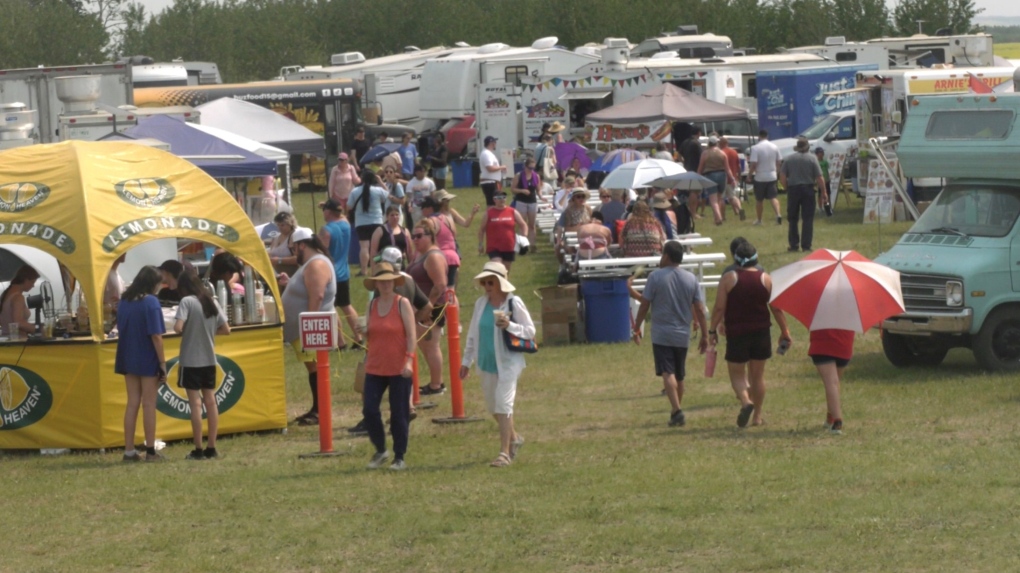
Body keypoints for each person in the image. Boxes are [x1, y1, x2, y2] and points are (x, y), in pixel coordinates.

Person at [348, 247, 434, 437]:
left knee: (368, 376)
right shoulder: (410, 281)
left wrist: (366, 330)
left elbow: (378, 316)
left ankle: (368, 418)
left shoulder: (383, 289)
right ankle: (409, 407)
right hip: (403, 339)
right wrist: (411, 322)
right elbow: (428, 306)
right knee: (404, 373)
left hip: (383, 340)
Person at [708, 241, 791, 428]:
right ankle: (757, 417)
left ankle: (746, 402)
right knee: (758, 376)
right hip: (761, 332)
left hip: (737, 333)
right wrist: (785, 331)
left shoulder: (729, 278)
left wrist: (712, 330)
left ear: (736, 260)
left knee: (737, 375)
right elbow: (776, 309)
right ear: (756, 259)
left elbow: (719, 307)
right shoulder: (766, 279)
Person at [460, 262, 535, 468]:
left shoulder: (514, 302)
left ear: (501, 282)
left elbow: (530, 331)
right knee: (493, 407)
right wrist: (466, 361)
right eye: (484, 282)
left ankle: (504, 453)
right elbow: (473, 335)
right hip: (486, 362)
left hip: (509, 362)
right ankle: (515, 437)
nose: (487, 285)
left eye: (491, 281)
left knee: (503, 405)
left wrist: (509, 325)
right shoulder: (480, 304)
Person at [632, 242, 709, 427]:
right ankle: (676, 413)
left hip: (662, 334)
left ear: (666, 256)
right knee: (679, 375)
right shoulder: (691, 278)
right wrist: (706, 335)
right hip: (682, 334)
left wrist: (636, 327)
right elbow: (699, 308)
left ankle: (677, 410)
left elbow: (644, 304)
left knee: (667, 372)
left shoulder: (655, 277)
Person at [359, 262, 417, 471]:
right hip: (375, 366)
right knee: (369, 410)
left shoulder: (402, 304)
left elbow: (412, 335)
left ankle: (399, 456)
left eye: (389, 281)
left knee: (398, 413)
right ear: (376, 285)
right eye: (381, 282)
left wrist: (409, 360)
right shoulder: (372, 305)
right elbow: (370, 335)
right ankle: (381, 449)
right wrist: (363, 332)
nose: (385, 285)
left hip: (399, 367)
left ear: (394, 282)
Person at [280, 227, 336, 426]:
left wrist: (309, 326)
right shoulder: (311, 264)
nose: (294, 253)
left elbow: (317, 295)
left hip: (313, 328)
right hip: (305, 329)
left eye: (295, 248)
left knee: (316, 368)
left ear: (302, 245)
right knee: (313, 368)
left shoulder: (316, 264)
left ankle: (320, 410)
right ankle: (317, 408)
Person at [173, 272, 230, 460]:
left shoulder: (186, 302)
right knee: (211, 401)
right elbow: (226, 329)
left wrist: (189, 329)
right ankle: (212, 447)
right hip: (209, 359)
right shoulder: (211, 300)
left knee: (195, 404)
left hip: (190, 360)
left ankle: (198, 448)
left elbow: (178, 328)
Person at [115, 266, 167, 462]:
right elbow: (156, 336)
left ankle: (129, 451)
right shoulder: (151, 302)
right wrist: (162, 363)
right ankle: (151, 451)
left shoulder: (125, 301)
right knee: (149, 404)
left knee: (132, 403)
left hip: (128, 355)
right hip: (147, 357)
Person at [408, 219, 449, 395]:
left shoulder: (433, 256)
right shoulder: (422, 255)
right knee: (425, 346)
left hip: (431, 308)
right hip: (421, 308)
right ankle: (435, 382)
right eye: (413, 236)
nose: (415, 240)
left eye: (419, 236)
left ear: (430, 236)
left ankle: (436, 385)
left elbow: (440, 285)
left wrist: (428, 307)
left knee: (431, 346)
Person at [318, 198, 362, 347]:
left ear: (328, 212)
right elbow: (341, 215)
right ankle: (359, 336)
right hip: (344, 272)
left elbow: (321, 253)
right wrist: (329, 206)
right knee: (347, 305)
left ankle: (340, 342)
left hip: (331, 274)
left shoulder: (326, 230)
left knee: (331, 307)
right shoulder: (346, 225)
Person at [780, 137, 826, 252]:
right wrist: (824, 192)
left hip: (793, 189)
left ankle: (794, 245)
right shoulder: (812, 159)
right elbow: (819, 177)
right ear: (807, 147)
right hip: (808, 189)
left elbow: (782, 176)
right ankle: (806, 245)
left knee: (793, 218)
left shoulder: (789, 159)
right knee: (808, 218)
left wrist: (786, 187)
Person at [810, 329, 856, 434]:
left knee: (831, 383)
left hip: (822, 343)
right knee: (834, 383)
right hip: (844, 343)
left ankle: (837, 421)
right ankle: (830, 418)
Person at [348, 170, 390, 276]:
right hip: (376, 221)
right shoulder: (378, 190)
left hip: (361, 223)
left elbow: (349, 206)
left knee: (364, 248)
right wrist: (380, 181)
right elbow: (387, 195)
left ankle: (364, 270)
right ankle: (378, 268)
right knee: (376, 247)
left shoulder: (355, 191)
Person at [479, 190, 528, 272]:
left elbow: (523, 224)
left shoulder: (512, 211)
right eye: (499, 198)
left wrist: (524, 237)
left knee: (505, 271)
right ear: (494, 200)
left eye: (503, 197)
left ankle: (503, 284)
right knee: (498, 267)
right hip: (493, 247)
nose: (502, 200)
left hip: (509, 246)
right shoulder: (489, 213)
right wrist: (480, 244)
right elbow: (481, 230)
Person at [421, 197, 462, 286]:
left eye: (422, 208)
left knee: (438, 289)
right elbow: (454, 235)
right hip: (453, 257)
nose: (421, 211)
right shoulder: (447, 218)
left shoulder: (429, 221)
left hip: (438, 258)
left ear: (430, 209)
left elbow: (426, 242)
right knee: (450, 290)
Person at [748, 129, 783, 226]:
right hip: (772, 175)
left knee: (759, 199)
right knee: (773, 197)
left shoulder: (756, 148)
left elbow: (754, 163)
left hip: (760, 176)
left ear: (759, 136)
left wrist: (749, 175)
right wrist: (777, 172)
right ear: (767, 136)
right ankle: (778, 214)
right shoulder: (774, 147)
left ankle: (759, 220)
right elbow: (779, 161)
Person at [697, 136, 734, 226]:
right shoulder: (722, 153)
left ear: (709, 143)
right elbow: (727, 168)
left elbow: (700, 168)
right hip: (722, 175)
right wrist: (732, 179)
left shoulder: (705, 153)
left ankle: (719, 218)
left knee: (713, 200)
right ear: (717, 143)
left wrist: (697, 177)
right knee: (719, 198)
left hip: (710, 175)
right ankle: (717, 218)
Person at [511, 158, 541, 252]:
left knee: (532, 225)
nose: (531, 169)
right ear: (525, 166)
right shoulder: (519, 176)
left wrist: (541, 195)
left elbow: (538, 189)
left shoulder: (536, 176)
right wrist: (522, 191)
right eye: (530, 167)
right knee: (522, 224)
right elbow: (512, 189)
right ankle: (523, 246)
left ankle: (532, 245)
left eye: (533, 168)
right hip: (521, 201)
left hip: (532, 201)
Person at [0, 265, 39, 337]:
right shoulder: (18, 297)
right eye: (32, 282)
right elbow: (19, 322)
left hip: (6, 339)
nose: (33, 285)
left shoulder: (5, 295)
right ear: (25, 280)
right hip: (18, 341)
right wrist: (38, 330)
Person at [718, 136, 745, 221]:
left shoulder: (720, 152)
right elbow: (739, 166)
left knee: (721, 198)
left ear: (721, 143)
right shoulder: (734, 152)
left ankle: (723, 217)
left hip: (722, 177)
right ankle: (740, 209)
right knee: (732, 197)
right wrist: (739, 175)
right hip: (733, 177)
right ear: (727, 143)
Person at [268, 212, 299, 277]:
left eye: (282, 225)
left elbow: (298, 259)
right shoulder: (276, 237)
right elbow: (271, 253)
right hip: (275, 274)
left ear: (290, 224)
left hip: (290, 275)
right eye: (278, 225)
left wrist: (279, 260)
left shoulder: (293, 237)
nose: (280, 228)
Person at [479, 135, 506, 206]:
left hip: (492, 182)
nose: (496, 144)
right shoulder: (486, 154)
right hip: (490, 182)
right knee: (492, 204)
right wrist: (501, 167)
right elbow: (490, 168)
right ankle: (490, 217)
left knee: (494, 203)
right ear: (492, 143)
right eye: (495, 142)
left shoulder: (488, 153)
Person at [815, 147, 830, 211]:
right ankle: (820, 207)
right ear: (817, 154)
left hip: (826, 179)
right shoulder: (816, 162)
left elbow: (827, 170)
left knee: (828, 193)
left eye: (822, 152)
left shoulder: (825, 162)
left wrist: (828, 178)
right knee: (820, 194)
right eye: (820, 152)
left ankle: (827, 206)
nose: (822, 154)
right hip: (820, 180)